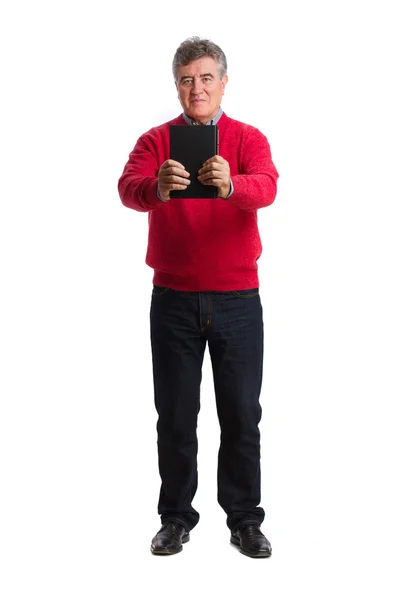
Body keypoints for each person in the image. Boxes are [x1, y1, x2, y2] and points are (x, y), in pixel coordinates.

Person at [118, 36, 279, 558]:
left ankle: (244, 519)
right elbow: (127, 187)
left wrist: (232, 186)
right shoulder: (154, 141)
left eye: (207, 77)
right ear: (177, 86)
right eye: (187, 78)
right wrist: (156, 189)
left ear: (224, 83)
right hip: (174, 299)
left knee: (240, 415)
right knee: (176, 415)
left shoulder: (247, 138)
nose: (197, 87)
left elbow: (268, 186)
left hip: (237, 298)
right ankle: (175, 518)